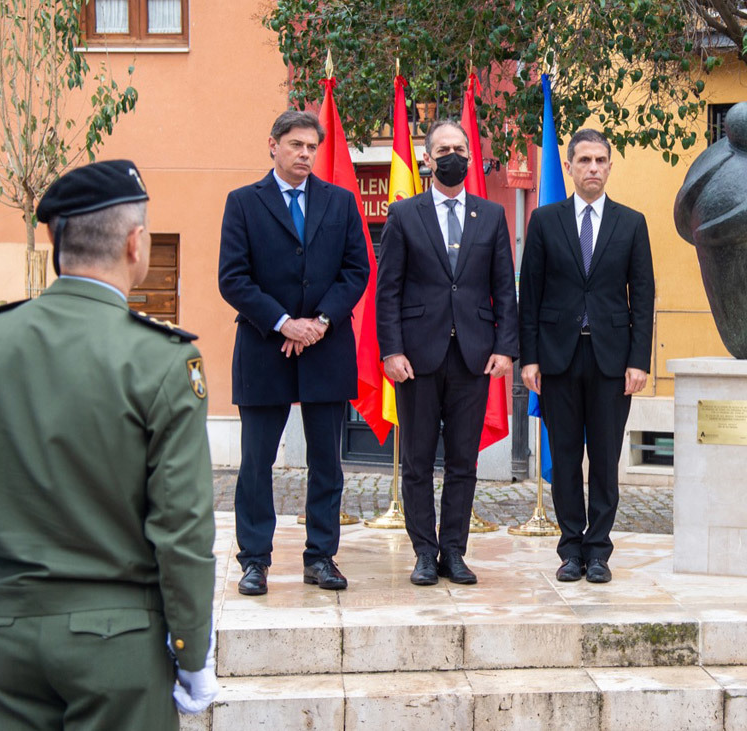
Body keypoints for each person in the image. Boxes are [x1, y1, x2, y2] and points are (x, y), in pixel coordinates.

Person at [0, 161, 217, 727]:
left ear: (52, 242)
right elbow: (182, 528)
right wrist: (192, 652)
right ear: (135, 243)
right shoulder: (162, 360)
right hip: (117, 646)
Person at [218, 110, 369, 595]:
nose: (305, 154)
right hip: (266, 349)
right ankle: (254, 560)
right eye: (296, 145)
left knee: (327, 462)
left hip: (326, 349)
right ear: (273, 145)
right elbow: (233, 278)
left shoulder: (340, 202)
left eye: (311, 147)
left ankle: (321, 557)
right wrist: (286, 323)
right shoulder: (243, 203)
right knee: (256, 463)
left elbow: (356, 270)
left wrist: (319, 322)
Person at [377, 120, 518, 586]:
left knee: (463, 461)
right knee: (417, 461)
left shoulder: (491, 215)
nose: (452, 155)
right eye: (443, 149)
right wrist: (391, 350)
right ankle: (423, 552)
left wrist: (505, 347)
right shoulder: (403, 214)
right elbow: (388, 290)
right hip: (416, 358)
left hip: (474, 357)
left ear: (471, 157)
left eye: (460, 148)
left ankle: (454, 552)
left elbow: (504, 288)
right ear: (427, 158)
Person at [520, 128, 655, 584]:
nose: (593, 168)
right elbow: (530, 293)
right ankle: (570, 550)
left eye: (600, 160)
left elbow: (644, 295)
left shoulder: (631, 222)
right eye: (584, 161)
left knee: (603, 457)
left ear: (610, 167)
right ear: (571, 167)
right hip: (557, 358)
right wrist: (529, 358)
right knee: (562, 457)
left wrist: (639, 361)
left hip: (611, 362)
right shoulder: (544, 220)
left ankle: (598, 551)